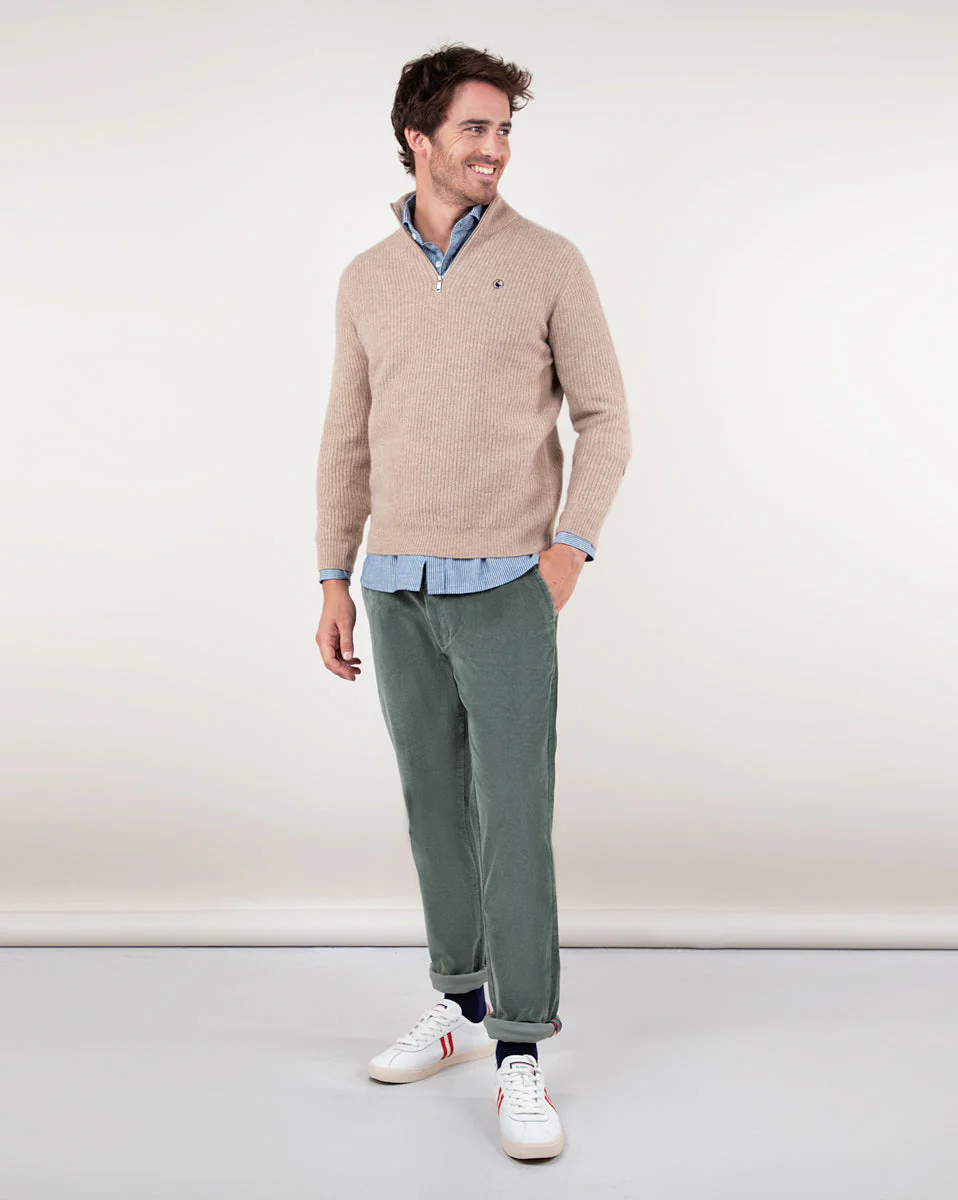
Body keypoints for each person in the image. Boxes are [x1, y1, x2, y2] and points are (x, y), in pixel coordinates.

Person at [314, 42, 631, 1160]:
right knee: (433, 811)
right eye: (475, 129)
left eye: (504, 130)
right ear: (419, 138)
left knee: (513, 817)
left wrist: (568, 551)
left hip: (508, 587)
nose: (494, 148)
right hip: (394, 588)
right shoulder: (364, 278)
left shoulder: (547, 262)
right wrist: (332, 576)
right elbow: (346, 437)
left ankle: (520, 1046)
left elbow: (605, 417)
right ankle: (456, 1005)